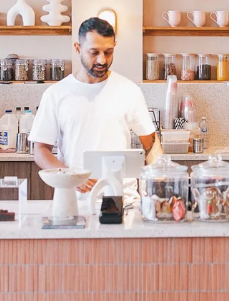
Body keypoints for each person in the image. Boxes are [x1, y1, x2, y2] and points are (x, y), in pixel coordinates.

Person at [30, 17, 162, 197]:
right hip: (73, 201)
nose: (102, 60)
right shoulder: (56, 94)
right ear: (78, 48)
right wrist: (71, 177)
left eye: (108, 52)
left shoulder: (128, 90)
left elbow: (151, 145)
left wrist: (160, 185)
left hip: (122, 200)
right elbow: (40, 150)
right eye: (94, 52)